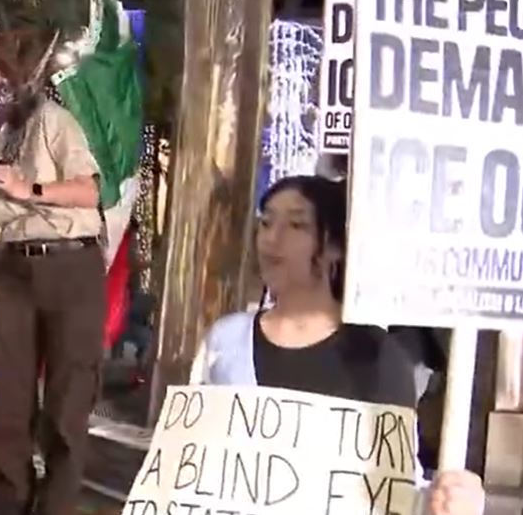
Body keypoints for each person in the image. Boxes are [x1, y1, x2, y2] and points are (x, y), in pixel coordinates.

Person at [192, 176, 485, 515]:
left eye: (296, 224)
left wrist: (448, 501)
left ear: (335, 246)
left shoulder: (381, 359)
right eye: (266, 222)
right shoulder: (224, 340)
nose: (272, 239)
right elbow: (192, 461)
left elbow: (395, 488)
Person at [0, 39, 107, 515]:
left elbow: (89, 192)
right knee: (5, 408)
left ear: (9, 82)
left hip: (72, 264)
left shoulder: (50, 122)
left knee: (65, 406)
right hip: (14, 271)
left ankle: (56, 506)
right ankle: (11, 505)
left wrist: (29, 188)